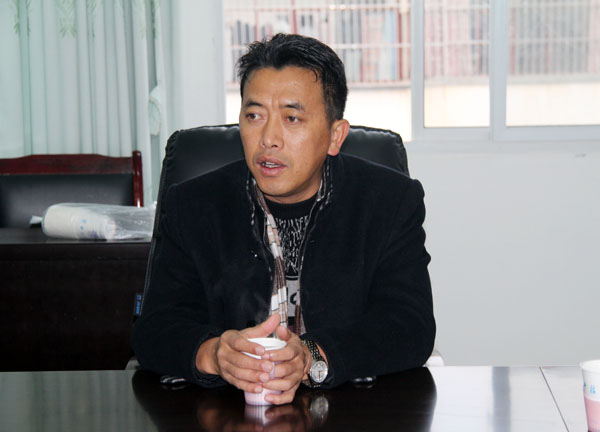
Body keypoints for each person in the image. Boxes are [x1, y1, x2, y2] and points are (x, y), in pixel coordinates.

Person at [132, 33, 435, 405]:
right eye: (254, 116)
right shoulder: (193, 206)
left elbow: (410, 325)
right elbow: (154, 328)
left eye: (292, 118)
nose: (268, 138)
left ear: (335, 136)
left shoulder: (390, 201)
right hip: (225, 413)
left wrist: (311, 356)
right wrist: (213, 353)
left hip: (350, 412)